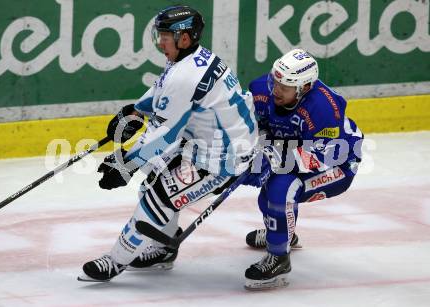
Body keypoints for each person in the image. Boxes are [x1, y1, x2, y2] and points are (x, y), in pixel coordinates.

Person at [78, 5, 258, 282]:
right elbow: (165, 89)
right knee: (153, 180)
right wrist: (137, 111)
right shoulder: (193, 59)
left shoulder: (186, 73)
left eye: (164, 35)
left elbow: (165, 135)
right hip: (211, 145)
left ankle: (115, 262)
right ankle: (163, 249)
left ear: (184, 38)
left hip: (222, 159)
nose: (159, 41)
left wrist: (127, 164)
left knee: (157, 198)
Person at [241, 48, 363, 290]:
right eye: (276, 82)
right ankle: (286, 235)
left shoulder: (324, 107)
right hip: (294, 150)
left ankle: (279, 258)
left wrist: (274, 158)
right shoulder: (262, 89)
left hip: (339, 164)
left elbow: (327, 154)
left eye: (285, 87)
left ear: (304, 88)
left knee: (280, 188)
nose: (276, 89)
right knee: (267, 193)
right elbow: (254, 125)